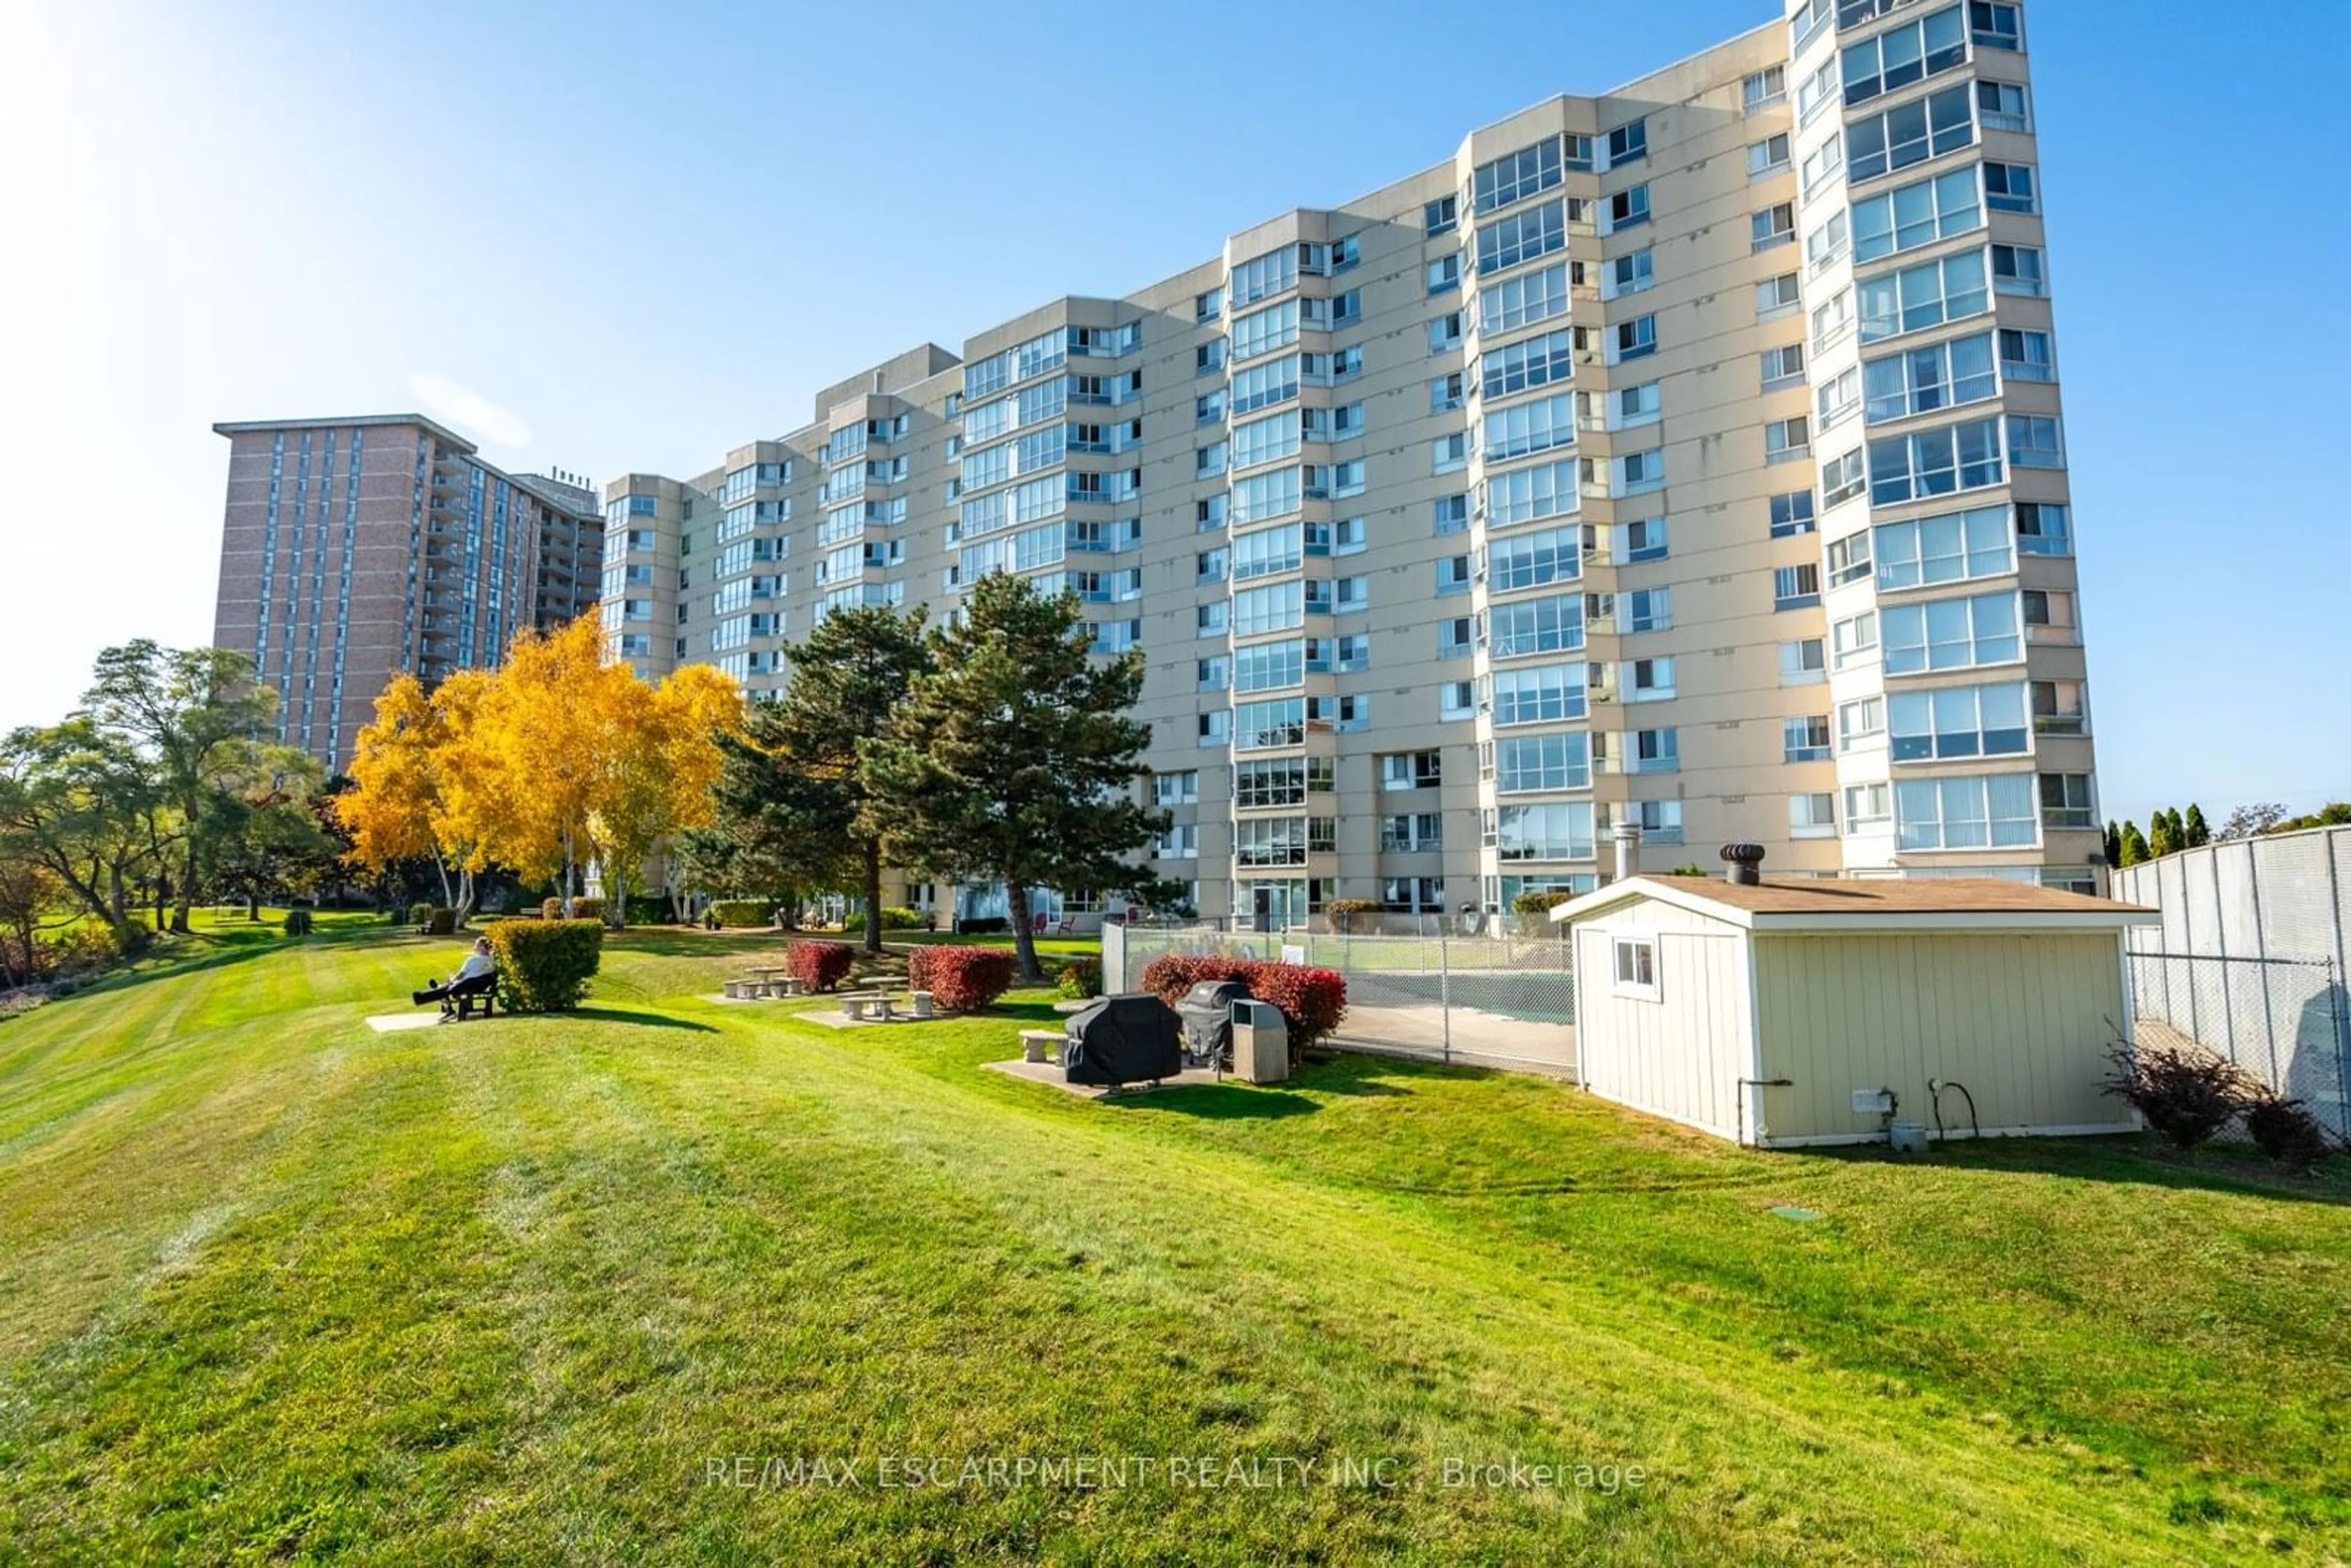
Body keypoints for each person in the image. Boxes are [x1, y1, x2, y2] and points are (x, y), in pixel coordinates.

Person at [414, 937, 497, 1006]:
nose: (475, 947)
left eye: (477, 946)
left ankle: (427, 994)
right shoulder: (492, 959)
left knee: (449, 988)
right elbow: (489, 970)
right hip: (478, 986)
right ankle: (432, 991)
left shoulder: (472, 960)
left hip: (467, 985)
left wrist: (452, 980)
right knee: (448, 987)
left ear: (481, 947)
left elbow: (461, 974)